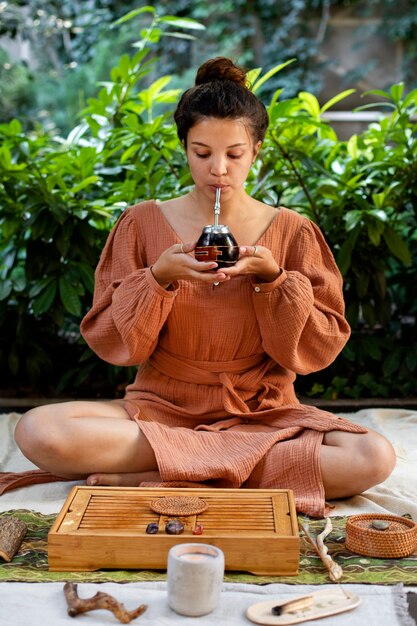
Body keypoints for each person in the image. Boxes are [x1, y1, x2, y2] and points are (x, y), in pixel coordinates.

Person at [14, 57, 396, 517]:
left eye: (234, 154)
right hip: (160, 409)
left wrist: (274, 281)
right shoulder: (141, 223)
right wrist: (158, 279)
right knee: (38, 431)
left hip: (260, 414)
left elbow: (317, 348)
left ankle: (164, 471)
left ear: (256, 149)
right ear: (184, 147)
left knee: (373, 457)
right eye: (202, 153)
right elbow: (117, 343)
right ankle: (223, 468)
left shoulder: (293, 231)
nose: (218, 169)